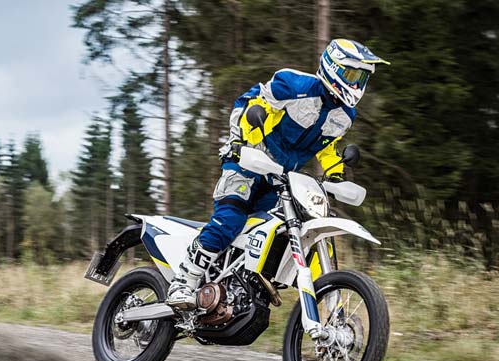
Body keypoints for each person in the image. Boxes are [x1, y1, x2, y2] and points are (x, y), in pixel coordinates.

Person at [167, 38, 389, 310]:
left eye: (362, 78)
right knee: (230, 218)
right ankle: (184, 281)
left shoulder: (345, 115)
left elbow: (327, 147)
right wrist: (239, 140)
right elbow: (249, 103)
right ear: (333, 67)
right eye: (353, 75)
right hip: (248, 161)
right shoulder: (293, 84)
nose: (357, 84)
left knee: (294, 230)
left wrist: (334, 174)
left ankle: (331, 308)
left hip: (281, 178)